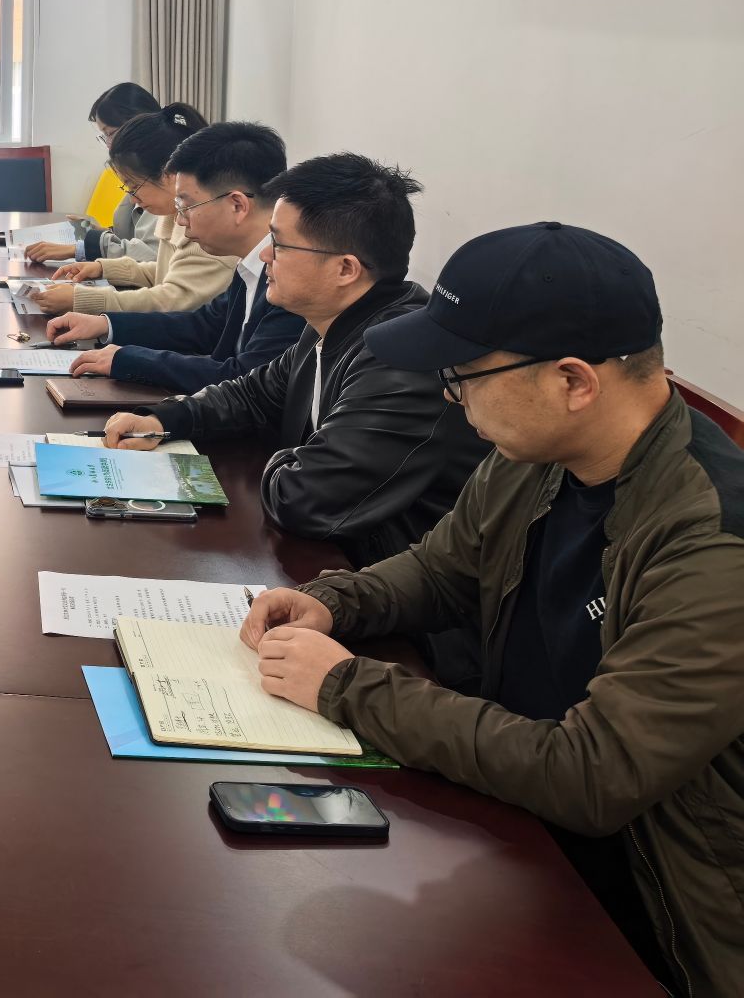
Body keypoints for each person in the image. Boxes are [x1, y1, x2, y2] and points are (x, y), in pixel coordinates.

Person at [240, 224, 744, 996]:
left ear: (573, 382)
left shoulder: (714, 541)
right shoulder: (538, 455)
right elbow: (441, 570)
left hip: (653, 911)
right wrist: (331, 602)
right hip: (520, 823)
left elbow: (593, 774)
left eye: (464, 377)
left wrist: (346, 686)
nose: (452, 398)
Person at [100, 154, 490, 584]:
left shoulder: (402, 359)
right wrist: (165, 418)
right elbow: (252, 394)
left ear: (345, 269)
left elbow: (304, 498)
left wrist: (281, 457)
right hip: (334, 567)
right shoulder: (332, 322)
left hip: (390, 593)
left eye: (280, 243)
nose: (265, 253)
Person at [47, 121, 303, 389]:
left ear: (237, 205)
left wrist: (130, 359)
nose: (180, 220)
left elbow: (246, 380)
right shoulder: (250, 263)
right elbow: (203, 326)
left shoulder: (291, 281)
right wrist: (106, 325)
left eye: (186, 205)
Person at [29, 104, 236, 317]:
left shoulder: (206, 228)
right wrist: (103, 268)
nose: (131, 198)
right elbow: (166, 271)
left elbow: (172, 300)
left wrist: (82, 298)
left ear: (170, 175)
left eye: (134, 186)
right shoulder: (173, 214)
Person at [22, 81, 160, 266]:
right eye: (104, 136)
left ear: (137, 125)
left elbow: (152, 254)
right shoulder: (139, 170)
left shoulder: (161, 176)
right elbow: (132, 237)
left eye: (110, 133)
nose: (109, 145)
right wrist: (95, 233)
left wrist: (81, 249)